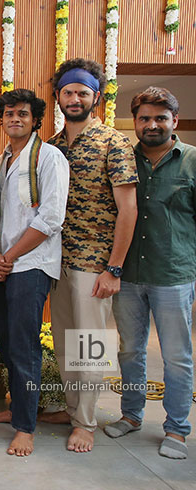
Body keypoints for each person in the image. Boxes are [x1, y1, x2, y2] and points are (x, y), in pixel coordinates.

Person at [41, 58, 138, 453]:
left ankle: (86, 422)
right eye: (68, 92)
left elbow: (128, 209)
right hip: (55, 261)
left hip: (94, 264)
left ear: (96, 97)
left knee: (90, 346)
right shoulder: (51, 146)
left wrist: (114, 268)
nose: (75, 99)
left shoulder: (113, 143)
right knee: (66, 343)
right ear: (58, 96)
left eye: (82, 92)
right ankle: (71, 409)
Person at [104, 87, 194, 460]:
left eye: (160, 118)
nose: (152, 124)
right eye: (144, 118)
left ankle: (176, 429)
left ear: (175, 120)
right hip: (127, 273)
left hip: (173, 274)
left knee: (176, 355)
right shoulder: (124, 159)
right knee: (130, 350)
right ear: (136, 122)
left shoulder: (191, 161)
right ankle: (131, 414)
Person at [0, 89, 69, 457]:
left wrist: (9, 256)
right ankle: (18, 407)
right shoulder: (1, 160)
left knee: (25, 345)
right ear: (1, 119)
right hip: (2, 264)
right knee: (7, 342)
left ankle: (26, 427)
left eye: (23, 114)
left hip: (31, 264)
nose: (15, 118)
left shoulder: (49, 157)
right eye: (9, 113)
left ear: (36, 120)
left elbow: (50, 218)